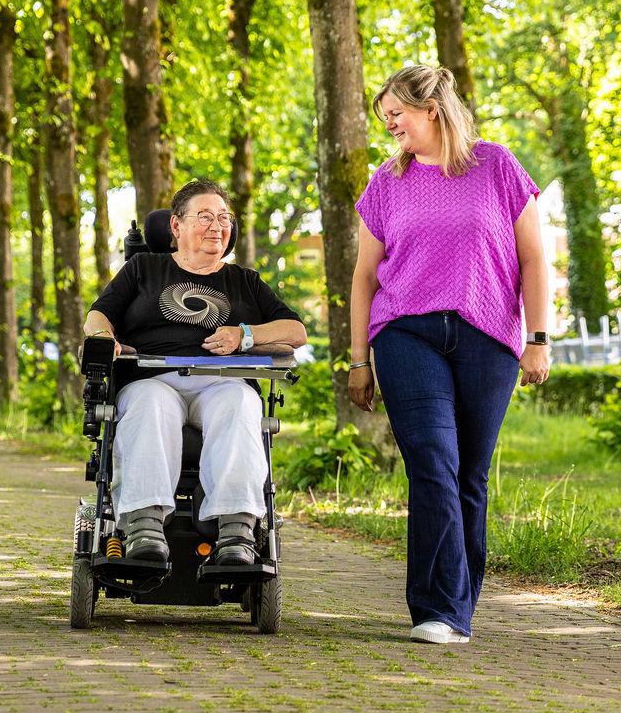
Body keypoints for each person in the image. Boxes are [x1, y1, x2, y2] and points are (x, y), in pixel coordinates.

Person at [348, 65, 551, 645]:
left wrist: (538, 339)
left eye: (396, 114)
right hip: (406, 334)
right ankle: (438, 610)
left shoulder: (497, 166)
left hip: (488, 337)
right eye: (384, 117)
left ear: (431, 108)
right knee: (433, 464)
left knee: (469, 474)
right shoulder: (386, 184)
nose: (389, 125)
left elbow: (534, 259)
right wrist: (359, 360)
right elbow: (364, 278)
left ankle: (460, 605)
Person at [84, 179, 306, 567]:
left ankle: (236, 531)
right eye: (205, 217)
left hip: (222, 382)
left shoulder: (244, 281)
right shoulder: (144, 268)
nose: (217, 226)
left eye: (224, 218)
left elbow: (295, 332)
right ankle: (144, 527)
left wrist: (246, 335)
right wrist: (106, 337)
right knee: (150, 402)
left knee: (240, 401)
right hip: (152, 378)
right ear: (175, 226)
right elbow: (98, 314)